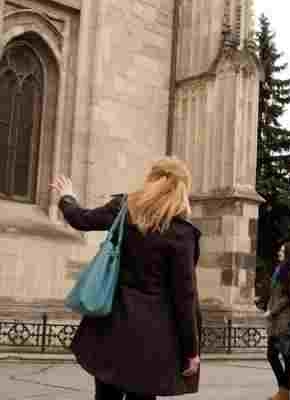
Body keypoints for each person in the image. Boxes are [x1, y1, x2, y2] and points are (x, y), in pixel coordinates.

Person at [50, 157, 201, 400]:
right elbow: (185, 297)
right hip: (152, 337)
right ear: (182, 189)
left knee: (106, 395)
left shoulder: (122, 208)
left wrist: (67, 197)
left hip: (110, 324)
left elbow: (81, 219)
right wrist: (191, 351)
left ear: (151, 179)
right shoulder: (181, 233)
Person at [265, 242, 290, 400]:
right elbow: (274, 293)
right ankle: (283, 390)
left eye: (282, 250)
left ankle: (284, 391)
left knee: (287, 357)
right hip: (274, 319)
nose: (279, 252)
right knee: (272, 355)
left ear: (288, 253)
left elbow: (288, 297)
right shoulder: (279, 269)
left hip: (284, 319)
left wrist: (273, 310)